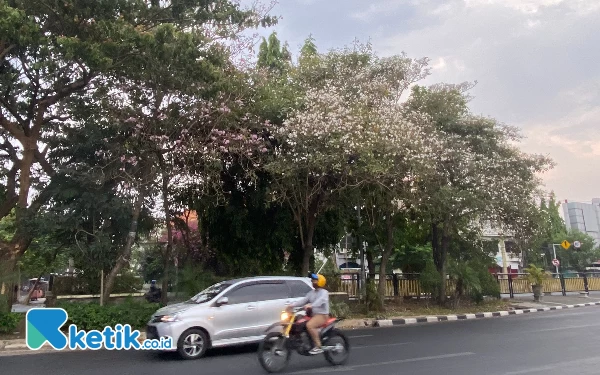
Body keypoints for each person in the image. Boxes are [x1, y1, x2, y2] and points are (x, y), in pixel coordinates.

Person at [288, 273, 330, 355]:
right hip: (313, 315)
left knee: (310, 325)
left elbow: (320, 301)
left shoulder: (324, 292)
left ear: (320, 281)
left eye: (315, 280)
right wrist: (292, 305)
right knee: (298, 321)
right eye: (312, 280)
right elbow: (303, 301)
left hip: (322, 315)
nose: (312, 281)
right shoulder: (312, 293)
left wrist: (311, 305)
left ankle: (318, 346)